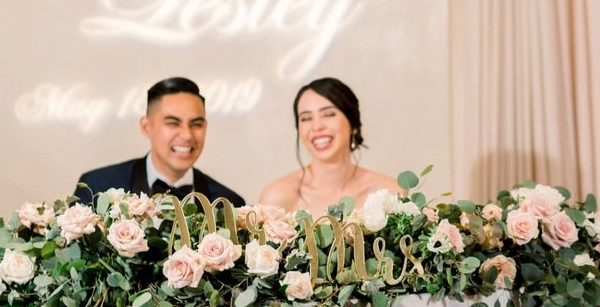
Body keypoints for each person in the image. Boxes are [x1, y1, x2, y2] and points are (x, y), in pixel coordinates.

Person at [75, 77, 245, 206]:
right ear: (146, 127)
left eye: (196, 124)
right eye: (173, 123)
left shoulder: (229, 203)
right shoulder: (97, 187)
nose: (187, 135)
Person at [258, 77, 401, 216]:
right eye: (306, 118)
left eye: (328, 114)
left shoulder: (390, 193)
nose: (317, 126)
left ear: (354, 124)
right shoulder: (277, 198)